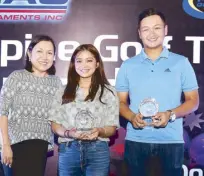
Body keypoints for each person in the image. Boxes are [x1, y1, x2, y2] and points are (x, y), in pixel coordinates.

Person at [115, 8, 199, 176]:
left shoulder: (181, 63)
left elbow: (193, 101)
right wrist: (131, 116)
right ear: (139, 33)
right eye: (146, 29)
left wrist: (171, 114)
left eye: (157, 28)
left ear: (165, 30)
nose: (151, 34)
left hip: (171, 141)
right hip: (136, 141)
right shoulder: (128, 65)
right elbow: (120, 102)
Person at [49, 44, 119, 176]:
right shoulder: (62, 91)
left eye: (89, 60)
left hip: (98, 151)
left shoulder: (109, 92)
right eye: (79, 61)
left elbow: (112, 127)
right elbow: (55, 125)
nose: (84, 65)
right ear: (73, 64)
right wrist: (69, 133)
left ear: (97, 63)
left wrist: (100, 131)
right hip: (69, 150)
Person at [0, 35, 62, 176]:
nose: (44, 57)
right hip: (15, 145)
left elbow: (58, 116)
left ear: (54, 57)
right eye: (39, 51)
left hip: (40, 147)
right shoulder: (16, 77)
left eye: (49, 52)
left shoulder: (56, 83)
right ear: (29, 53)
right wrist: (5, 145)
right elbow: (2, 112)